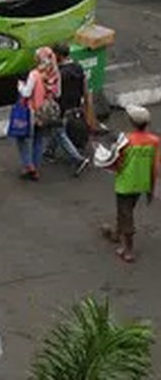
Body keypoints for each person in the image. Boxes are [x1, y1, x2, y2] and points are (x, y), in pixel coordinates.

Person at [101, 106, 160, 263]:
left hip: (125, 183)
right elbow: (155, 166)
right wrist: (152, 188)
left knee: (126, 213)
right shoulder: (154, 141)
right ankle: (116, 233)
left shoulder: (126, 140)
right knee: (126, 209)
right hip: (142, 182)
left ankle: (127, 249)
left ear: (131, 122)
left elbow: (117, 162)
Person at [15, 47, 61, 181]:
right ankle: (35, 166)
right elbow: (58, 93)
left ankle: (29, 166)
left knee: (23, 140)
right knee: (39, 140)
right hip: (46, 113)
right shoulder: (55, 75)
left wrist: (20, 86)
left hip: (32, 112)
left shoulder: (34, 74)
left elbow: (27, 93)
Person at [50, 43, 92, 176]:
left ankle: (78, 159)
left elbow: (55, 93)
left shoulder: (61, 74)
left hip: (61, 108)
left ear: (58, 56)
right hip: (74, 105)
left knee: (60, 133)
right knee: (56, 130)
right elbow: (85, 87)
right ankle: (49, 151)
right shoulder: (78, 67)